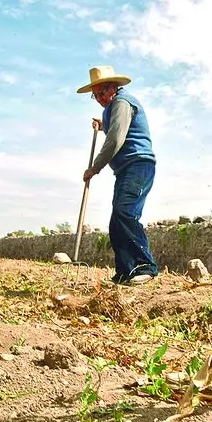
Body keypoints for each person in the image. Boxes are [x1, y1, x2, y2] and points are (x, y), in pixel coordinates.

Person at [77, 65, 159, 285]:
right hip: (126, 169)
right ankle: (125, 271)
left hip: (138, 165)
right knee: (117, 221)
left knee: (125, 214)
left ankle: (145, 266)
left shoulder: (122, 102)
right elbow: (116, 127)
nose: (99, 99)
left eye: (102, 93)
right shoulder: (114, 106)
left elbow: (115, 139)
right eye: (95, 96)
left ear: (113, 87)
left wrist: (94, 168)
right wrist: (103, 124)